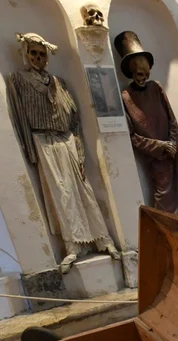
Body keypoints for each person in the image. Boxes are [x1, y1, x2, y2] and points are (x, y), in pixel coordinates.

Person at [7, 32, 120, 274]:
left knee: (83, 190)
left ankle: (103, 238)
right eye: (33, 53)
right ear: (25, 54)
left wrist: (78, 148)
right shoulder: (18, 80)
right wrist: (30, 150)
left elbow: (74, 117)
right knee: (61, 193)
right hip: (43, 141)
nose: (38, 58)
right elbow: (19, 117)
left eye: (42, 54)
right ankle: (73, 245)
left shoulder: (58, 82)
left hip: (66, 139)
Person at [115, 31, 178, 218]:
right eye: (140, 74)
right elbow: (133, 137)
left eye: (146, 74)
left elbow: (172, 119)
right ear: (132, 71)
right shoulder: (125, 97)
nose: (143, 78)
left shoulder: (156, 87)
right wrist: (161, 146)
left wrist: (172, 142)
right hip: (155, 156)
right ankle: (166, 230)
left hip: (172, 152)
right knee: (162, 193)